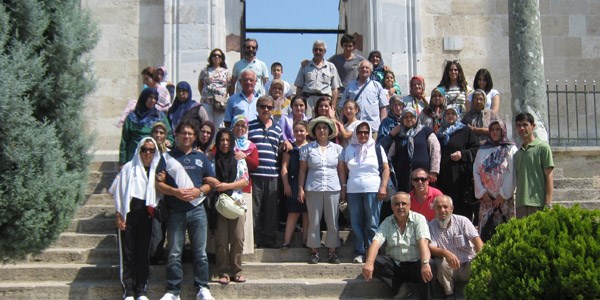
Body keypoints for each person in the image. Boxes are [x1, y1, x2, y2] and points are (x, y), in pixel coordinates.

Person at [156, 120, 215, 300]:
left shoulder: (201, 157)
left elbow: (210, 183)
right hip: (176, 211)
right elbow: (159, 184)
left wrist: (199, 191)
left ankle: (203, 288)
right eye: (184, 133)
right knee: (174, 252)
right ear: (177, 135)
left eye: (190, 134)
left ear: (194, 137)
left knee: (200, 252)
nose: (187, 136)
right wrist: (175, 192)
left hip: (198, 210)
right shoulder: (167, 158)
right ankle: (173, 291)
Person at [362, 192, 435, 300]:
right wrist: (369, 263)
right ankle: (402, 289)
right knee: (375, 261)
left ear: (409, 205)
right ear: (392, 206)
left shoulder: (419, 219)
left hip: (415, 266)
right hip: (396, 267)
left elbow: (423, 242)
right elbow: (376, 242)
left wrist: (425, 263)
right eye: (396, 204)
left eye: (403, 204)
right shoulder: (387, 221)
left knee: (431, 265)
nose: (400, 207)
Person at [113, 137, 161, 300]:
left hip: (147, 216)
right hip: (129, 215)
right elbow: (119, 192)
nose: (148, 153)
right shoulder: (129, 168)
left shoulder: (157, 170)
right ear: (139, 150)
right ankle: (128, 290)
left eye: (151, 150)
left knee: (142, 254)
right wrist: (119, 214)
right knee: (128, 253)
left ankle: (141, 289)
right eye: (144, 149)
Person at [298, 116, 346, 264]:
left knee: (332, 220)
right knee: (314, 221)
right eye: (319, 128)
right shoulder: (307, 148)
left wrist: (343, 187)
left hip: (333, 187)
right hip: (313, 187)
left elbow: (341, 171)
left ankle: (332, 251)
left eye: (324, 128)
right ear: (314, 131)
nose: (322, 130)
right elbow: (302, 170)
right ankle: (314, 251)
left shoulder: (338, 149)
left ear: (330, 130)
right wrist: (300, 188)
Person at [205, 128, 250, 285]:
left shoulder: (239, 159)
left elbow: (244, 180)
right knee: (221, 240)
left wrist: (226, 186)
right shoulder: (211, 159)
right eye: (221, 140)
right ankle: (223, 271)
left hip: (236, 204)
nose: (224, 143)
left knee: (238, 238)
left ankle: (237, 271)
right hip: (218, 205)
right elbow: (206, 177)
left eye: (227, 140)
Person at [342, 122, 390, 263]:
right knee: (356, 222)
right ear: (356, 134)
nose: (363, 135)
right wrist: (344, 188)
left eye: (366, 132)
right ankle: (359, 252)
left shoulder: (377, 148)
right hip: (353, 190)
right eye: (360, 132)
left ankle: (372, 251)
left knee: (372, 222)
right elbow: (345, 170)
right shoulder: (349, 149)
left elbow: (386, 169)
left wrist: (383, 187)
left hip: (372, 189)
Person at [248, 96, 289, 248]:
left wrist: (285, 145)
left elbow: (280, 149)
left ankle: (269, 240)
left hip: (272, 175)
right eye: (263, 106)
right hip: (256, 175)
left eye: (269, 107)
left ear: (273, 110)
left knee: (271, 210)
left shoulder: (278, 128)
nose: (266, 110)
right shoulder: (250, 126)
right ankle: (255, 239)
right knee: (255, 210)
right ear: (257, 108)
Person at [428, 195, 483, 299]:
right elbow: (431, 248)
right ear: (434, 209)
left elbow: (477, 240)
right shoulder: (431, 225)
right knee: (440, 262)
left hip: (467, 265)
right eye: (438, 207)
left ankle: (477, 290)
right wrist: (446, 253)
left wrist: (483, 258)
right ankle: (449, 293)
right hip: (450, 269)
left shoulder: (462, 221)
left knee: (479, 260)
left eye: (445, 207)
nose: (442, 210)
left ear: (452, 209)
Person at [473, 120, 517, 235]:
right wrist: (482, 192)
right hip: (487, 199)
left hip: (504, 200)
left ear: (503, 130)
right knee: (487, 232)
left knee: (505, 232)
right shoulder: (482, 149)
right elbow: (476, 171)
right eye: (492, 129)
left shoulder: (510, 149)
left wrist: (502, 195)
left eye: (498, 129)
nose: (495, 132)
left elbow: (511, 172)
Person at [436, 105, 479, 220]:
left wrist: (462, 154)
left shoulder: (466, 131)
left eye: (453, 113)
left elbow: (476, 149)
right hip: (444, 176)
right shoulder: (439, 134)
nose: (450, 116)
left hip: (461, 175)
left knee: (461, 208)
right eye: (447, 114)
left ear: (457, 116)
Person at [389, 108, 441, 193]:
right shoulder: (399, 134)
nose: (409, 119)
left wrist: (434, 171)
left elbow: (435, 149)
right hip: (403, 175)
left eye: (411, 116)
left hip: (423, 175)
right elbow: (391, 153)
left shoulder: (425, 131)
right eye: (406, 117)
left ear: (416, 117)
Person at [119, 87, 173, 167]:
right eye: (150, 97)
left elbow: (169, 134)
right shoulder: (132, 117)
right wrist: (122, 162)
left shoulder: (160, 116)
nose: (153, 100)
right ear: (144, 97)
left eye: (155, 98)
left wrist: (168, 141)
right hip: (134, 159)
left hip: (154, 159)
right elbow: (124, 140)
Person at [513, 112, 554, 218]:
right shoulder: (517, 154)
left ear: (533, 126)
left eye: (525, 124)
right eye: (518, 125)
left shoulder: (543, 148)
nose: (522, 128)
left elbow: (549, 176)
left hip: (538, 203)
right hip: (520, 204)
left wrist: (548, 203)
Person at [230, 115, 260, 253]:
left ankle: (243, 250)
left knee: (243, 221)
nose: (240, 128)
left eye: (243, 126)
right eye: (237, 125)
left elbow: (255, 164)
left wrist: (245, 156)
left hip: (244, 187)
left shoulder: (250, 146)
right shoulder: (226, 141)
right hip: (228, 187)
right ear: (232, 127)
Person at [280, 120, 310, 249]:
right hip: (292, 182)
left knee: (306, 213)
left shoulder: (311, 147)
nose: (299, 133)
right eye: (296, 131)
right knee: (293, 212)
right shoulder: (290, 148)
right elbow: (284, 167)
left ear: (307, 132)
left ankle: (305, 241)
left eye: (302, 130)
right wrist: (286, 184)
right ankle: (286, 241)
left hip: (308, 182)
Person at [294, 40, 341, 118]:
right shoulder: (305, 66)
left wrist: (332, 106)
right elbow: (299, 87)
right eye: (315, 50)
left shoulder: (331, 67)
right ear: (312, 51)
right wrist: (296, 103)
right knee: (308, 123)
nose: (318, 52)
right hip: (308, 100)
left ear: (325, 51)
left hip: (325, 100)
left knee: (324, 123)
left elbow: (335, 89)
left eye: (320, 50)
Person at [341, 60, 389, 133]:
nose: (364, 69)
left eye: (367, 68)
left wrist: (382, 127)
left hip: (373, 129)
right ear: (358, 70)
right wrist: (342, 124)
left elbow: (383, 108)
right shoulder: (350, 85)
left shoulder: (377, 86)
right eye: (362, 67)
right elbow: (342, 106)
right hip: (353, 129)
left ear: (371, 71)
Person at [198, 48, 230, 128]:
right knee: (207, 124)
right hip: (207, 101)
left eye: (219, 56)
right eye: (214, 55)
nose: (216, 57)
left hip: (220, 102)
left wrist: (223, 96)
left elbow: (229, 87)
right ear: (211, 58)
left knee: (219, 125)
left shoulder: (226, 72)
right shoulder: (204, 71)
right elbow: (200, 85)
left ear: (222, 58)